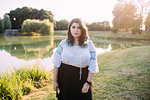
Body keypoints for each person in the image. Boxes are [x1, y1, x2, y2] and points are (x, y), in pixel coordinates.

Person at [52, 18, 99, 100]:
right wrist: (55, 81)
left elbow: (93, 65)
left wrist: (88, 83)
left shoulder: (89, 44)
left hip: (82, 79)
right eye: (73, 27)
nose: (76, 30)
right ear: (70, 29)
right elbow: (56, 64)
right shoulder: (63, 43)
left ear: (83, 30)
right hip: (64, 79)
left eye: (79, 27)